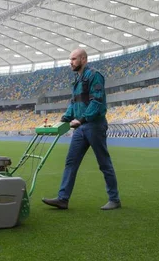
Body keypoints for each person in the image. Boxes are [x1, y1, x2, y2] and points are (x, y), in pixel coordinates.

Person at [42, 48, 121, 211]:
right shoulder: (77, 80)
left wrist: (82, 119)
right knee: (71, 161)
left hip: (94, 126)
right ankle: (63, 199)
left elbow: (97, 102)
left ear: (84, 59)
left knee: (104, 163)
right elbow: (74, 103)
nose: (70, 62)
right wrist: (64, 119)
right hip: (81, 128)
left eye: (74, 59)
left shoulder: (94, 76)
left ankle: (114, 199)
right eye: (70, 59)